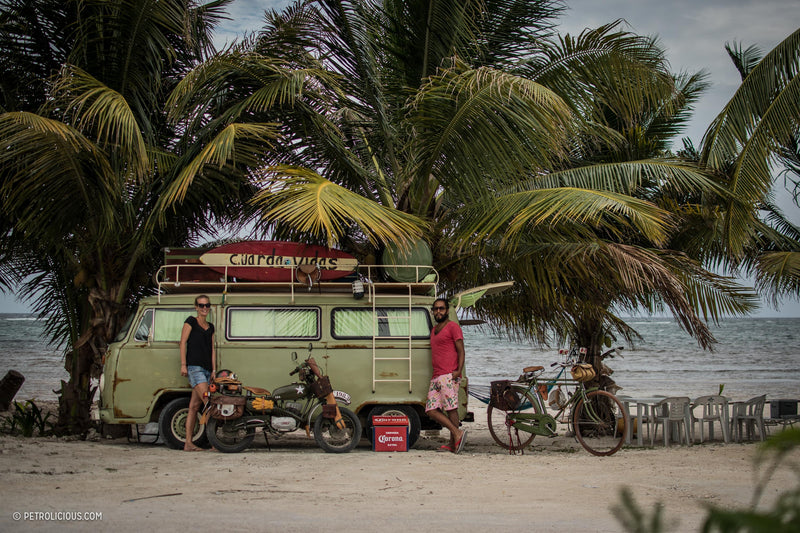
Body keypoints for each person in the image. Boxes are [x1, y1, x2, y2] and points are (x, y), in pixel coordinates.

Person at [426, 297, 467, 454]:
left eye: (441, 308)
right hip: (437, 375)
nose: (438, 311)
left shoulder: (453, 327)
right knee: (431, 410)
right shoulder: (434, 330)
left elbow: (461, 350)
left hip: (449, 374)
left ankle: (453, 442)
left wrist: (459, 370)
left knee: (451, 409)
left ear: (447, 310)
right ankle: (456, 434)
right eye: (435, 309)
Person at [179, 295, 216, 451]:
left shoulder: (211, 327)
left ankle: (188, 443)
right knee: (209, 403)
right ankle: (215, 442)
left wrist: (214, 369)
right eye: (201, 305)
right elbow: (182, 343)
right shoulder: (190, 322)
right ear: (196, 307)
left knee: (194, 407)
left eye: (207, 305)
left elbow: (213, 349)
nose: (204, 308)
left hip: (207, 369)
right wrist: (183, 365)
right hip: (195, 368)